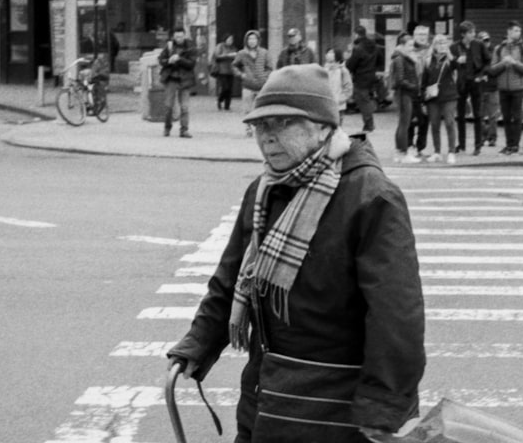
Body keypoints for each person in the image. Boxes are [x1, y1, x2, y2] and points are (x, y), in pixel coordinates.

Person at [165, 64, 426, 443]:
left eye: (282, 124)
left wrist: (383, 405)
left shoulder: (370, 196)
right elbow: (230, 279)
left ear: (323, 127)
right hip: (264, 397)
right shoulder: (264, 189)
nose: (267, 138)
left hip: (334, 409)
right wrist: (198, 342)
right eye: (259, 126)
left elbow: (396, 315)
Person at [489, 21, 523, 155]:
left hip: (518, 88)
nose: (517, 33)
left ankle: (515, 145)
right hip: (503, 88)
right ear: (508, 32)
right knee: (506, 118)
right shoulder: (499, 48)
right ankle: (508, 144)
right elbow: (492, 69)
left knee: (516, 117)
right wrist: (503, 63)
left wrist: (514, 63)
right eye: (515, 30)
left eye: (519, 31)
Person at [421, 33, 459, 164]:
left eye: (444, 42)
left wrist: (449, 53)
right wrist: (423, 101)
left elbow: (456, 66)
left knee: (449, 122)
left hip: (449, 96)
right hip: (433, 97)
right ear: (434, 45)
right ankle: (437, 151)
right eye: (439, 43)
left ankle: (451, 152)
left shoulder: (449, 59)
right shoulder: (428, 60)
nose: (441, 45)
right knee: (435, 124)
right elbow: (424, 81)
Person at [451, 20, 486, 156]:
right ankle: (462, 144)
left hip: (475, 81)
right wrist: (456, 61)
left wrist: (481, 75)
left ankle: (478, 145)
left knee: (478, 114)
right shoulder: (455, 47)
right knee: (460, 115)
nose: (473, 34)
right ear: (463, 34)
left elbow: (487, 61)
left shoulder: (479, 45)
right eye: (470, 32)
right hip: (461, 83)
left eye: (474, 32)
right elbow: (450, 65)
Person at [388, 32, 421, 164]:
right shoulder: (400, 59)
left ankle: (399, 152)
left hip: (404, 93)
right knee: (404, 124)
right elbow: (400, 79)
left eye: (413, 45)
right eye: (409, 45)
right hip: (403, 93)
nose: (412, 47)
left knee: (402, 124)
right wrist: (414, 86)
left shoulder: (402, 57)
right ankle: (403, 152)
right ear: (402, 45)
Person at [234, 30, 274, 137]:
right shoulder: (242, 53)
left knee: (260, 108)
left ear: (258, 40)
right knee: (247, 109)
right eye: (249, 39)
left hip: (261, 86)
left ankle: (260, 128)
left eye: (254, 39)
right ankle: (248, 128)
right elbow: (234, 66)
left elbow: (270, 67)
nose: (252, 41)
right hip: (248, 85)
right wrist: (241, 74)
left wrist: (265, 76)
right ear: (246, 41)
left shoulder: (264, 52)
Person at [159, 27, 197, 138]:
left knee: (184, 107)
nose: (178, 38)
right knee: (168, 106)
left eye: (180, 36)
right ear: (173, 37)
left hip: (185, 80)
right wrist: (168, 61)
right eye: (176, 37)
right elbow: (161, 59)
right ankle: (167, 127)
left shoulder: (191, 47)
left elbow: (191, 64)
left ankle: (184, 130)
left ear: (184, 36)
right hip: (171, 78)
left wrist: (179, 59)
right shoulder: (169, 46)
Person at [345, 25, 380, 133]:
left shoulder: (358, 48)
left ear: (356, 34)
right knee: (366, 99)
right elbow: (380, 60)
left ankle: (369, 125)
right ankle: (369, 123)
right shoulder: (374, 46)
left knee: (363, 101)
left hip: (360, 78)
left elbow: (351, 65)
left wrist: (348, 61)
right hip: (371, 76)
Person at [406, 25, 432, 158]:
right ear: (414, 36)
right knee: (410, 119)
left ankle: (421, 146)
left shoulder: (430, 50)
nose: (422, 37)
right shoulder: (409, 49)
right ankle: (409, 145)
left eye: (424, 34)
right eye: (419, 34)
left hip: (426, 89)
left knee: (425, 120)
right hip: (411, 90)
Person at [477, 31, 499, 147]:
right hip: (479, 88)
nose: (485, 43)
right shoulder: (475, 53)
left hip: (492, 88)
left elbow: (495, 69)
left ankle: (492, 138)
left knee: (493, 116)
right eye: (483, 41)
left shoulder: (494, 52)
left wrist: (484, 72)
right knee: (479, 115)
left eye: (487, 40)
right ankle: (482, 136)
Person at [324, 47, 354, 126]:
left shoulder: (343, 71)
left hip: (338, 107)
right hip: (325, 106)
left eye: (332, 52)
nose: (329, 54)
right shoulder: (324, 70)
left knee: (336, 129)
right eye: (328, 52)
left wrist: (339, 99)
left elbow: (348, 89)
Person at [211, 34, 239, 111]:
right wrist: (228, 55)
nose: (230, 41)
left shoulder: (234, 48)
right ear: (225, 39)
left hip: (231, 70)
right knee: (225, 87)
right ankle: (220, 99)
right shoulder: (220, 46)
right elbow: (217, 56)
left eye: (232, 40)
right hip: (222, 70)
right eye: (229, 39)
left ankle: (227, 106)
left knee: (230, 89)